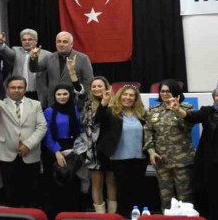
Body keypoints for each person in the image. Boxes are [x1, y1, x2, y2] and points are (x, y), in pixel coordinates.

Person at [171, 71, 218, 220]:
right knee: (214, 196)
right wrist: (178, 109)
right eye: (217, 95)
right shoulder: (207, 111)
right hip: (211, 164)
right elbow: (190, 116)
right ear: (214, 97)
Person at [0, 76, 47, 207]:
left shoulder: (35, 104)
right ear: (7, 89)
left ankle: (29, 213)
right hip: (6, 154)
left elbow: (42, 126)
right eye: (13, 87)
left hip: (30, 154)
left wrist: (28, 144)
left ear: (25, 89)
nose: (16, 90)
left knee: (30, 192)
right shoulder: (0, 104)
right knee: (10, 193)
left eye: (20, 87)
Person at [95, 85, 147, 217]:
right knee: (123, 192)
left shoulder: (142, 114)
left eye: (131, 95)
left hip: (139, 159)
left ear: (136, 98)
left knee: (138, 190)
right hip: (119, 159)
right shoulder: (111, 112)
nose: (128, 97)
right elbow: (98, 119)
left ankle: (137, 216)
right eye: (125, 94)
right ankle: (123, 216)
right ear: (119, 96)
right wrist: (104, 102)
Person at [144, 79, 195, 213]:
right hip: (162, 160)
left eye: (168, 91)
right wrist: (151, 151)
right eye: (162, 91)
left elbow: (187, 126)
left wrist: (177, 111)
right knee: (166, 197)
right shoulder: (154, 110)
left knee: (185, 197)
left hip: (182, 160)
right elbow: (148, 132)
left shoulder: (187, 108)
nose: (165, 94)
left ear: (176, 92)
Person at [42, 84, 83, 215]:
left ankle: (72, 212)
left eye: (65, 94)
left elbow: (80, 130)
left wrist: (76, 149)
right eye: (58, 94)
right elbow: (47, 133)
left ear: (70, 95)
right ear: (54, 96)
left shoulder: (75, 109)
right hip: (53, 149)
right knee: (54, 183)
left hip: (73, 149)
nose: (62, 97)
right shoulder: (49, 111)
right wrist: (56, 151)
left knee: (72, 181)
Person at [79, 76, 117, 214]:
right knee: (97, 184)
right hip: (94, 149)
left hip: (112, 149)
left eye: (99, 86)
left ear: (106, 87)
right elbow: (93, 122)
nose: (96, 89)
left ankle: (112, 215)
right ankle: (100, 215)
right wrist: (103, 104)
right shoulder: (88, 104)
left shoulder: (116, 103)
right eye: (93, 86)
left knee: (111, 182)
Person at [29, 31, 93, 109]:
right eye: (58, 42)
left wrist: (83, 100)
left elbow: (88, 82)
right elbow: (34, 69)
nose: (61, 44)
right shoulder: (49, 57)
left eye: (65, 42)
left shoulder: (82, 58)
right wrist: (34, 59)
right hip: (53, 102)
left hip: (75, 103)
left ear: (71, 44)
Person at [0, 29, 52, 101]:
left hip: (39, 93)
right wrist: (1, 44)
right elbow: (6, 52)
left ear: (36, 41)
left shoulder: (47, 55)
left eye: (30, 39)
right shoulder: (16, 51)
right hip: (19, 92)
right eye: (24, 40)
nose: (27, 42)